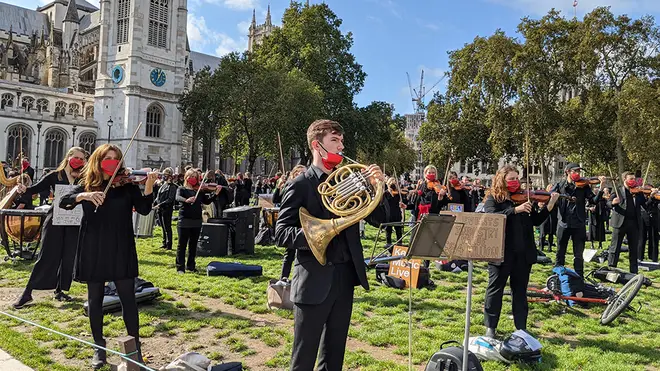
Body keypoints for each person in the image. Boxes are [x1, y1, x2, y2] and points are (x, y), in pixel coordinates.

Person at [275, 119, 388, 371]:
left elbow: (380, 219)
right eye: (334, 141)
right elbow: (281, 233)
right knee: (303, 358)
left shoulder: (349, 182)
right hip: (314, 279)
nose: (341, 146)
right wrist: (317, 236)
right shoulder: (300, 184)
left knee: (334, 356)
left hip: (345, 278)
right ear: (317, 145)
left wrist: (378, 189)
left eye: (341, 140)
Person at [58, 144, 156, 369]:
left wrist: (149, 186)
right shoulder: (86, 184)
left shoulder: (128, 185)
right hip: (93, 246)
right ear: (98, 160)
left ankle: (134, 349)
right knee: (95, 299)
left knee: (128, 300)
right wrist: (84, 195)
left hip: (121, 246)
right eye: (107, 158)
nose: (112, 161)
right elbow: (65, 202)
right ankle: (99, 348)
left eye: (115, 158)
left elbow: (143, 209)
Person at [483, 165, 559, 337]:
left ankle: (521, 328)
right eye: (511, 179)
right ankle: (491, 327)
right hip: (501, 253)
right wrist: (515, 210)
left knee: (520, 291)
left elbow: (536, 221)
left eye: (517, 178)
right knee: (495, 289)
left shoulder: (525, 198)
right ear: (502, 179)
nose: (515, 182)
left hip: (523, 253)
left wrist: (549, 206)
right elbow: (492, 218)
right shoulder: (493, 198)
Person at [12, 147, 87, 309]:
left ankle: (60, 290)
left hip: (75, 221)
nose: (79, 162)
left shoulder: (84, 178)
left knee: (69, 256)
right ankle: (28, 292)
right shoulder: (55, 175)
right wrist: (23, 189)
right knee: (46, 255)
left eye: (82, 159)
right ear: (68, 157)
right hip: (55, 219)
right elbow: (35, 189)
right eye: (77, 158)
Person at [550, 163, 606, 277]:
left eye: (579, 172)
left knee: (579, 254)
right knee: (560, 252)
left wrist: (601, 188)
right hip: (563, 222)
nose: (577, 174)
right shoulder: (560, 185)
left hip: (578, 223)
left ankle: (579, 277)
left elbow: (593, 200)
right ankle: (557, 276)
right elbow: (550, 197)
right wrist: (553, 197)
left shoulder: (584, 186)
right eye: (575, 171)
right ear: (568, 172)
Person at [175, 169, 221, 273]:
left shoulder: (199, 191)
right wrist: (186, 200)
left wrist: (216, 194)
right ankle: (180, 267)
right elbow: (177, 197)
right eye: (191, 177)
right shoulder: (181, 189)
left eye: (195, 177)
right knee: (182, 245)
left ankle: (191, 266)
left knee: (193, 245)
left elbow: (207, 201)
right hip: (184, 220)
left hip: (196, 220)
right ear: (187, 178)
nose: (193, 179)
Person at [608, 172, 648, 273]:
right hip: (620, 223)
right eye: (631, 179)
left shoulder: (638, 192)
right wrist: (613, 203)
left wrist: (651, 196)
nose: (633, 181)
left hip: (634, 223)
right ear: (624, 179)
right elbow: (608, 203)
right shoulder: (618, 190)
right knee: (615, 247)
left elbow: (645, 205)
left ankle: (634, 272)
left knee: (634, 249)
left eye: (634, 179)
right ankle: (611, 270)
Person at [278, 164, 307, 281]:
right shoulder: (292, 185)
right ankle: (284, 278)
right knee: (289, 253)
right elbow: (277, 199)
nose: (304, 175)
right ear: (295, 174)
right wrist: (279, 188)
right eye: (301, 173)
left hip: (305, 222)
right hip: (294, 224)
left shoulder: (308, 185)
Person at [154, 167, 177, 250]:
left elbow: (170, 199)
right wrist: (154, 203)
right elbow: (158, 196)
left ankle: (169, 244)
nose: (164, 176)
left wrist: (160, 204)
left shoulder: (173, 187)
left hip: (167, 209)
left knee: (167, 227)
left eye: (166, 175)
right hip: (160, 209)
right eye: (163, 175)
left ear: (170, 176)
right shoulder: (163, 185)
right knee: (163, 227)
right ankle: (164, 243)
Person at [384, 177, 407, 245]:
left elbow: (404, 201)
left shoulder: (398, 193)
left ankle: (399, 244)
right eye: (391, 183)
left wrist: (401, 195)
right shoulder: (386, 193)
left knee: (398, 230)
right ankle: (388, 244)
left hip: (397, 213)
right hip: (389, 214)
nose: (393, 185)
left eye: (395, 183)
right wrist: (390, 191)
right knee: (388, 230)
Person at [539, 183, 558, 252]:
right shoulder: (544, 195)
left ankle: (550, 247)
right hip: (544, 215)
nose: (551, 189)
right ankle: (541, 247)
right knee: (542, 232)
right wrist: (541, 203)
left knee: (551, 232)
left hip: (553, 215)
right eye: (550, 187)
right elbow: (539, 205)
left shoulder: (555, 197)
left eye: (552, 187)